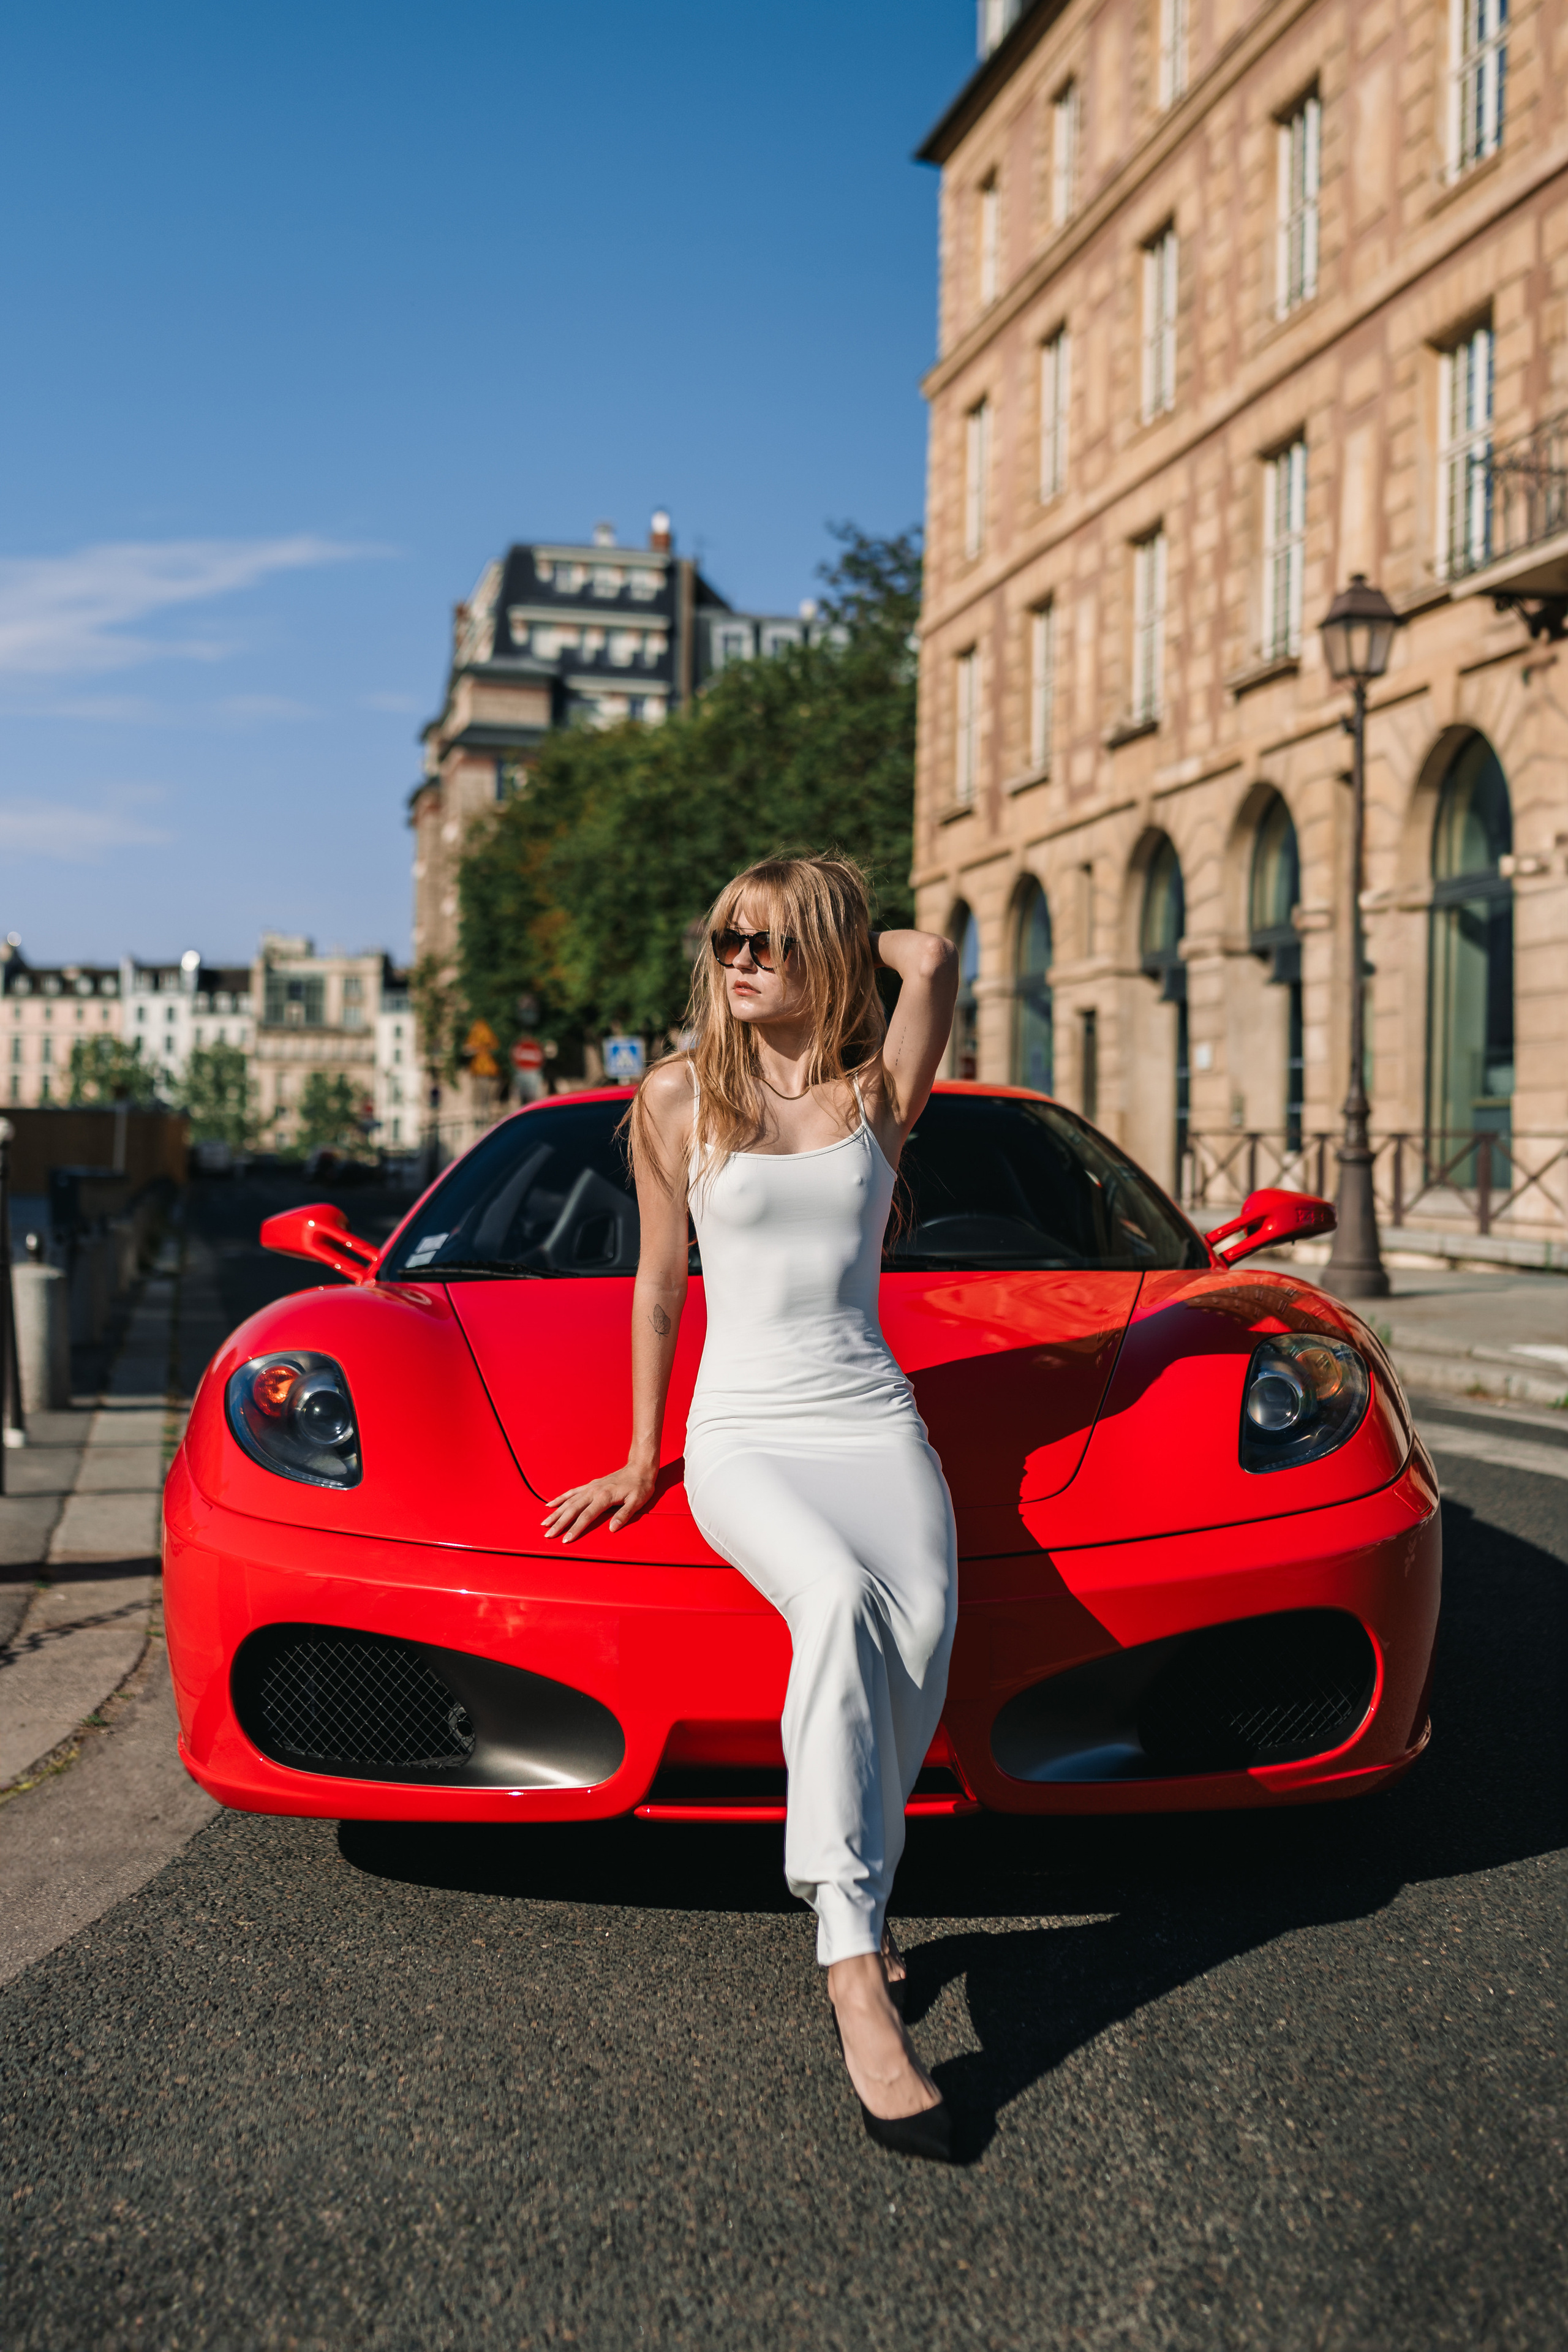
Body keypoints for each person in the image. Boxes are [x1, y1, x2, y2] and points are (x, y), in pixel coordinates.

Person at [543, 853, 960, 2162]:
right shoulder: (675, 1099)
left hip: (872, 1417)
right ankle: (849, 1960)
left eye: (766, 942)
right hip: (744, 1435)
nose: (736, 958)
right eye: (724, 935)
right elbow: (659, 1287)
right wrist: (637, 1450)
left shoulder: (873, 1094)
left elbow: (935, 961)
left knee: (922, 1638)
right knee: (834, 1603)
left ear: (823, 954)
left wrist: (829, 918)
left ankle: (868, 1897)